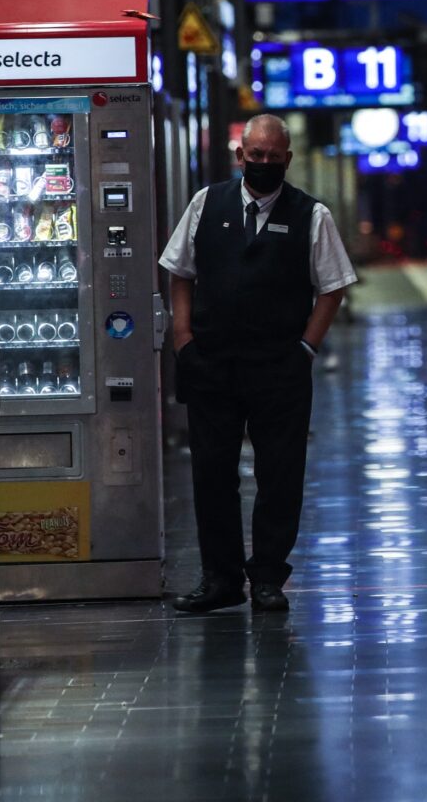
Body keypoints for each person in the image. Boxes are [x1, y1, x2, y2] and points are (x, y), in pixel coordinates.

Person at [158, 114, 357, 613]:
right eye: (256, 155)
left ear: (286, 159)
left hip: (279, 368)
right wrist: (183, 336)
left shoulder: (313, 215)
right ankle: (220, 578)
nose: (263, 163)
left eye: (273, 157)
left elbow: (333, 286)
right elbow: (179, 270)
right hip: (211, 364)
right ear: (240, 155)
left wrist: (306, 348)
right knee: (212, 473)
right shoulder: (206, 203)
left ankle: (268, 576)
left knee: (280, 474)